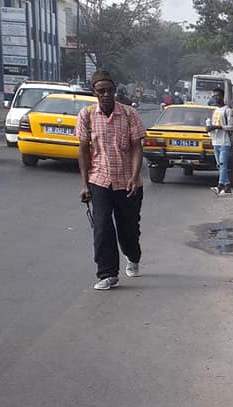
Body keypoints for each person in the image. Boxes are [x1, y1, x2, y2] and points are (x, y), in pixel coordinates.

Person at [76, 69, 146, 291]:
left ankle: (132, 256)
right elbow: (83, 151)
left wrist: (135, 176)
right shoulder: (86, 115)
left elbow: (137, 147)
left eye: (110, 90)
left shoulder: (128, 114)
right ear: (94, 92)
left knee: (129, 229)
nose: (106, 95)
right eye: (101, 91)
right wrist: (85, 184)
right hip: (100, 180)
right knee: (102, 227)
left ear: (115, 91)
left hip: (127, 181)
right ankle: (107, 273)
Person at [206, 88, 233, 195]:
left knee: (223, 164)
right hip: (215, 141)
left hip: (224, 142)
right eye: (214, 96)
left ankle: (220, 186)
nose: (216, 98)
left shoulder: (227, 110)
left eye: (218, 95)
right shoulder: (215, 111)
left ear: (223, 96)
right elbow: (212, 124)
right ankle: (227, 186)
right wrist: (209, 128)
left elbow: (232, 127)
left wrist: (219, 127)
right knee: (220, 165)